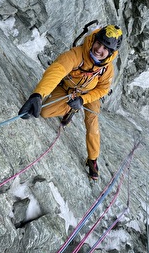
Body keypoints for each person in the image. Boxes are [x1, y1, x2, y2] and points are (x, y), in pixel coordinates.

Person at [18, 24, 123, 180]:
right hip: (70, 89)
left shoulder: (107, 69)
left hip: (89, 95)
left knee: (92, 121)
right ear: (94, 39)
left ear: (110, 53)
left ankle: (93, 159)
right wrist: (38, 95)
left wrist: (83, 99)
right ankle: (70, 110)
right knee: (45, 111)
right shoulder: (76, 54)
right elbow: (57, 71)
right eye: (99, 43)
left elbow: (102, 90)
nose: (99, 49)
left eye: (105, 48)